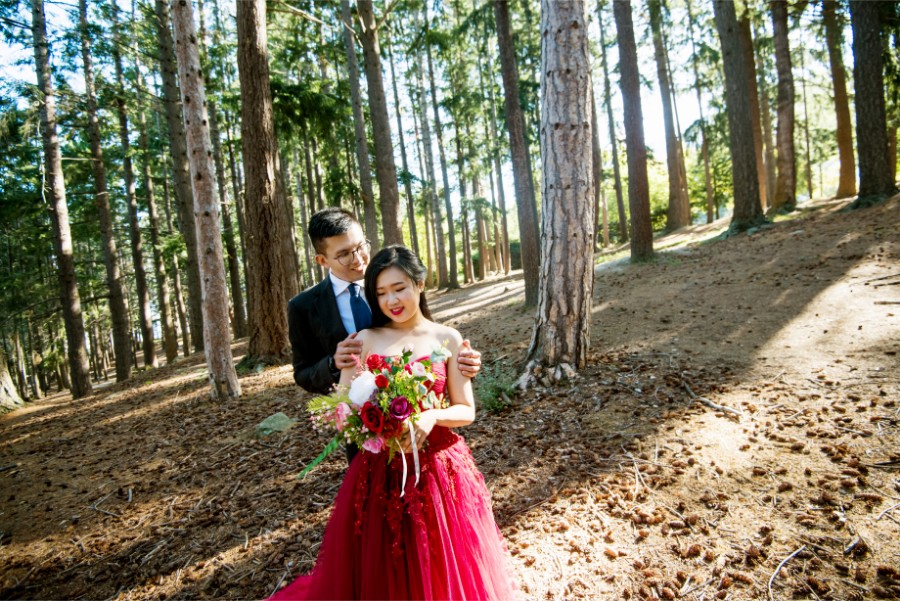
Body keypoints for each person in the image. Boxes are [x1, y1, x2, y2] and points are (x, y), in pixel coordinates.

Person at [270, 245, 517, 600]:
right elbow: (342, 413)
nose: (391, 300)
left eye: (399, 288)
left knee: (439, 558)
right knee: (386, 561)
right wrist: (377, 427)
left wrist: (431, 415)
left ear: (420, 283)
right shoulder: (363, 341)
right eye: (381, 293)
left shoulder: (446, 337)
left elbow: (466, 410)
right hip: (379, 471)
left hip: (438, 469)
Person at [287, 208, 482, 460]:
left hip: (430, 441)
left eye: (360, 246)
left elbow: (428, 343)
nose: (358, 259)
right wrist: (332, 364)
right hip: (367, 446)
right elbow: (303, 373)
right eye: (344, 254)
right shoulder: (303, 307)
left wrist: (462, 364)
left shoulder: (393, 274)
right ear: (323, 260)